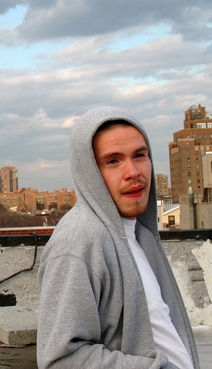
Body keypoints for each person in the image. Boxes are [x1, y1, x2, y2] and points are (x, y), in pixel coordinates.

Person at [37, 106, 199, 368]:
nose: (133, 171)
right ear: (89, 171)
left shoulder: (138, 233)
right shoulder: (79, 242)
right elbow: (60, 361)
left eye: (140, 155)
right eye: (113, 161)